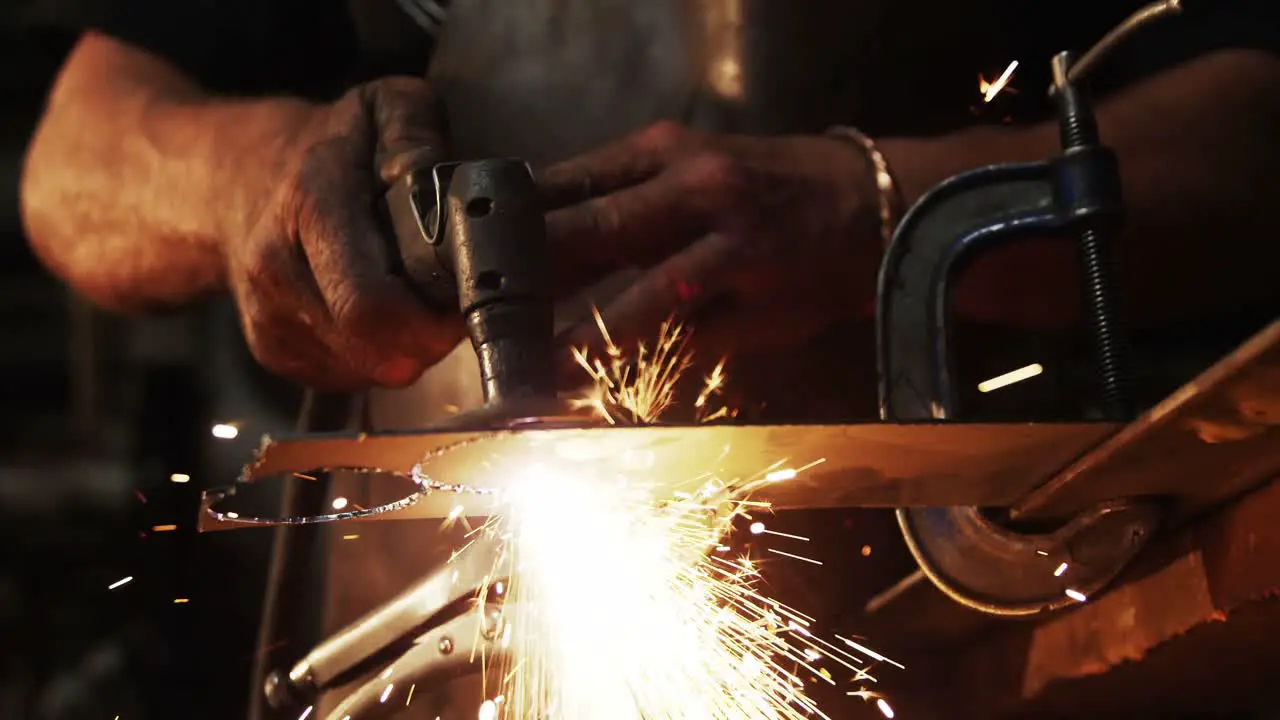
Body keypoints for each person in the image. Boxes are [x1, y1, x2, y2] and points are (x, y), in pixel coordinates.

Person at [20, 0, 1280, 717]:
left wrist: (882, 206)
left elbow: (1250, 130)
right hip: (423, 636)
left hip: (1044, 623)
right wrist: (248, 172)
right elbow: (78, 150)